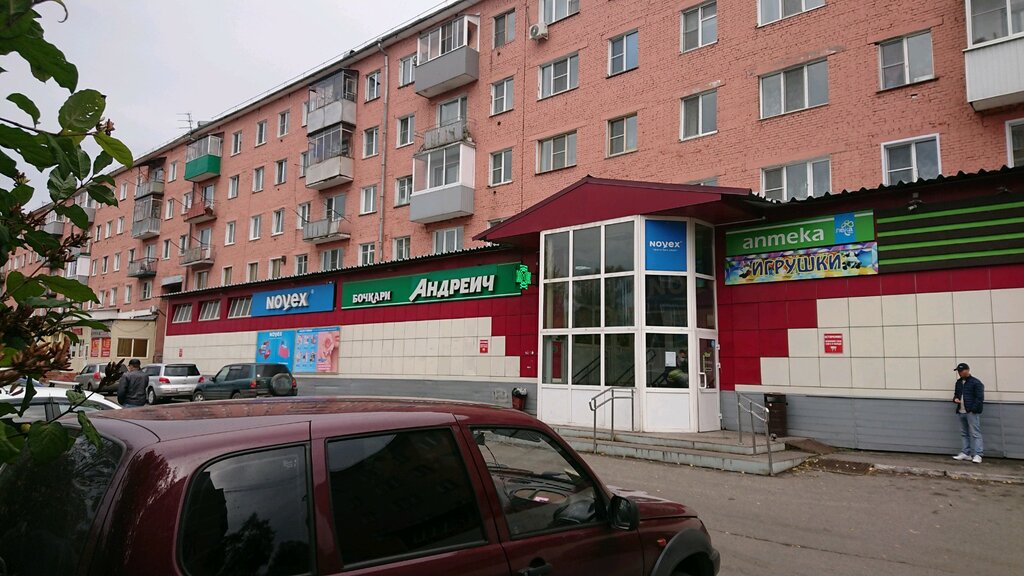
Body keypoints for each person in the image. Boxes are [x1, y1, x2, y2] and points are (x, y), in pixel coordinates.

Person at [952, 362, 984, 464]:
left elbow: (979, 398)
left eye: (961, 371)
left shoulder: (976, 382)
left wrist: (972, 409)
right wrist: (955, 399)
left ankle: (978, 454)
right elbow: (956, 394)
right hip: (961, 411)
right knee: (964, 433)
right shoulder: (958, 382)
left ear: (967, 370)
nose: (960, 373)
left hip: (971, 412)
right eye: (959, 371)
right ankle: (966, 452)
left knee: (975, 433)